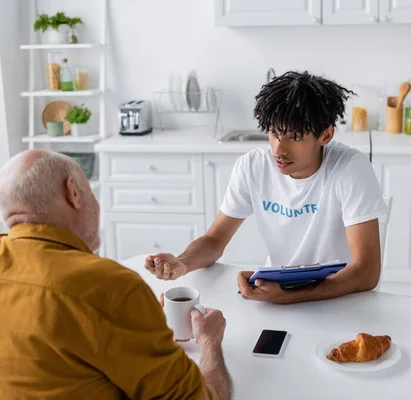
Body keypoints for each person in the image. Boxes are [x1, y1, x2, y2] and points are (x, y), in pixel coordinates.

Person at [0, 149, 231, 400]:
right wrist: (209, 341)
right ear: (73, 192)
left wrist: (144, 332)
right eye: (90, 190)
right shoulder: (110, 286)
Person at [145, 71, 387, 305]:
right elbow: (215, 240)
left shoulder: (349, 168)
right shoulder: (252, 167)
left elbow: (367, 272)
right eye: (274, 133)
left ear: (326, 135)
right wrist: (182, 262)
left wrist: (290, 296)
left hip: (339, 298)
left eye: (295, 136)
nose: (279, 150)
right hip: (276, 292)